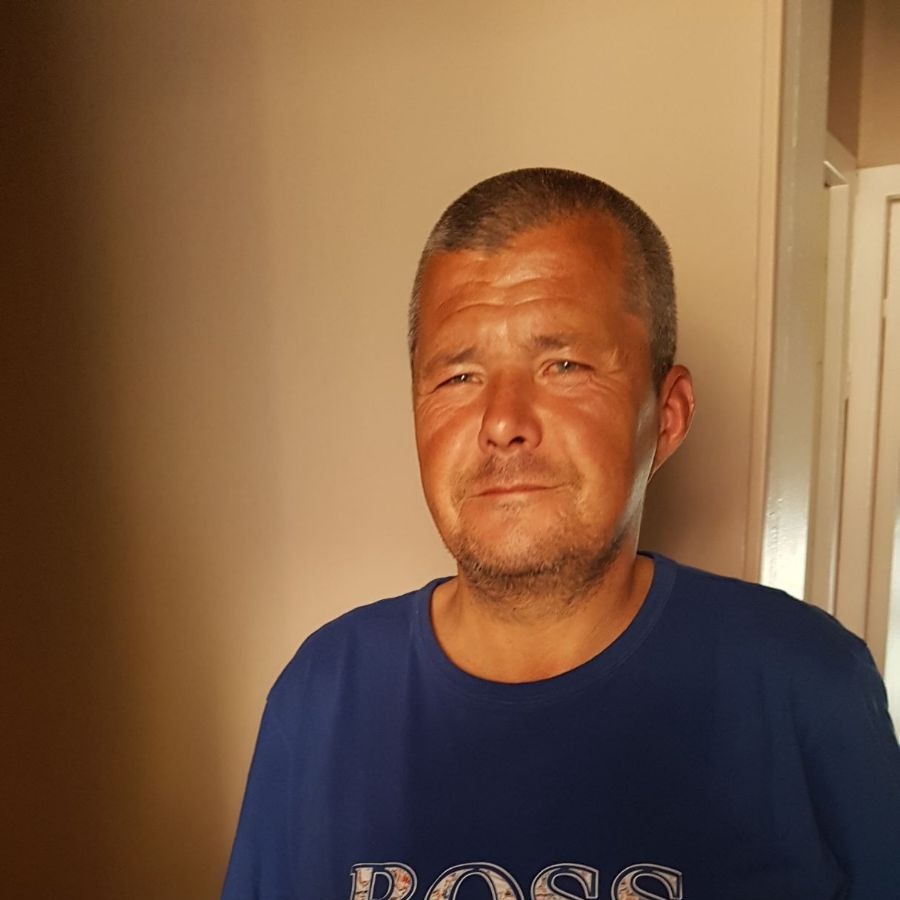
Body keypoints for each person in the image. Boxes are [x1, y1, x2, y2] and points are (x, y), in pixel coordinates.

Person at [222, 168, 900, 900]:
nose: (503, 422)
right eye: (458, 377)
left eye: (564, 365)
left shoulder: (808, 685)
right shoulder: (321, 694)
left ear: (667, 416)